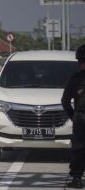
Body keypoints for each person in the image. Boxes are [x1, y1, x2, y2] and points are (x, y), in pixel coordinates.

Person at [62, 44, 85, 189]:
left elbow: (65, 101)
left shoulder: (75, 79)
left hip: (81, 119)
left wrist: (74, 116)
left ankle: (77, 179)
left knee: (78, 148)